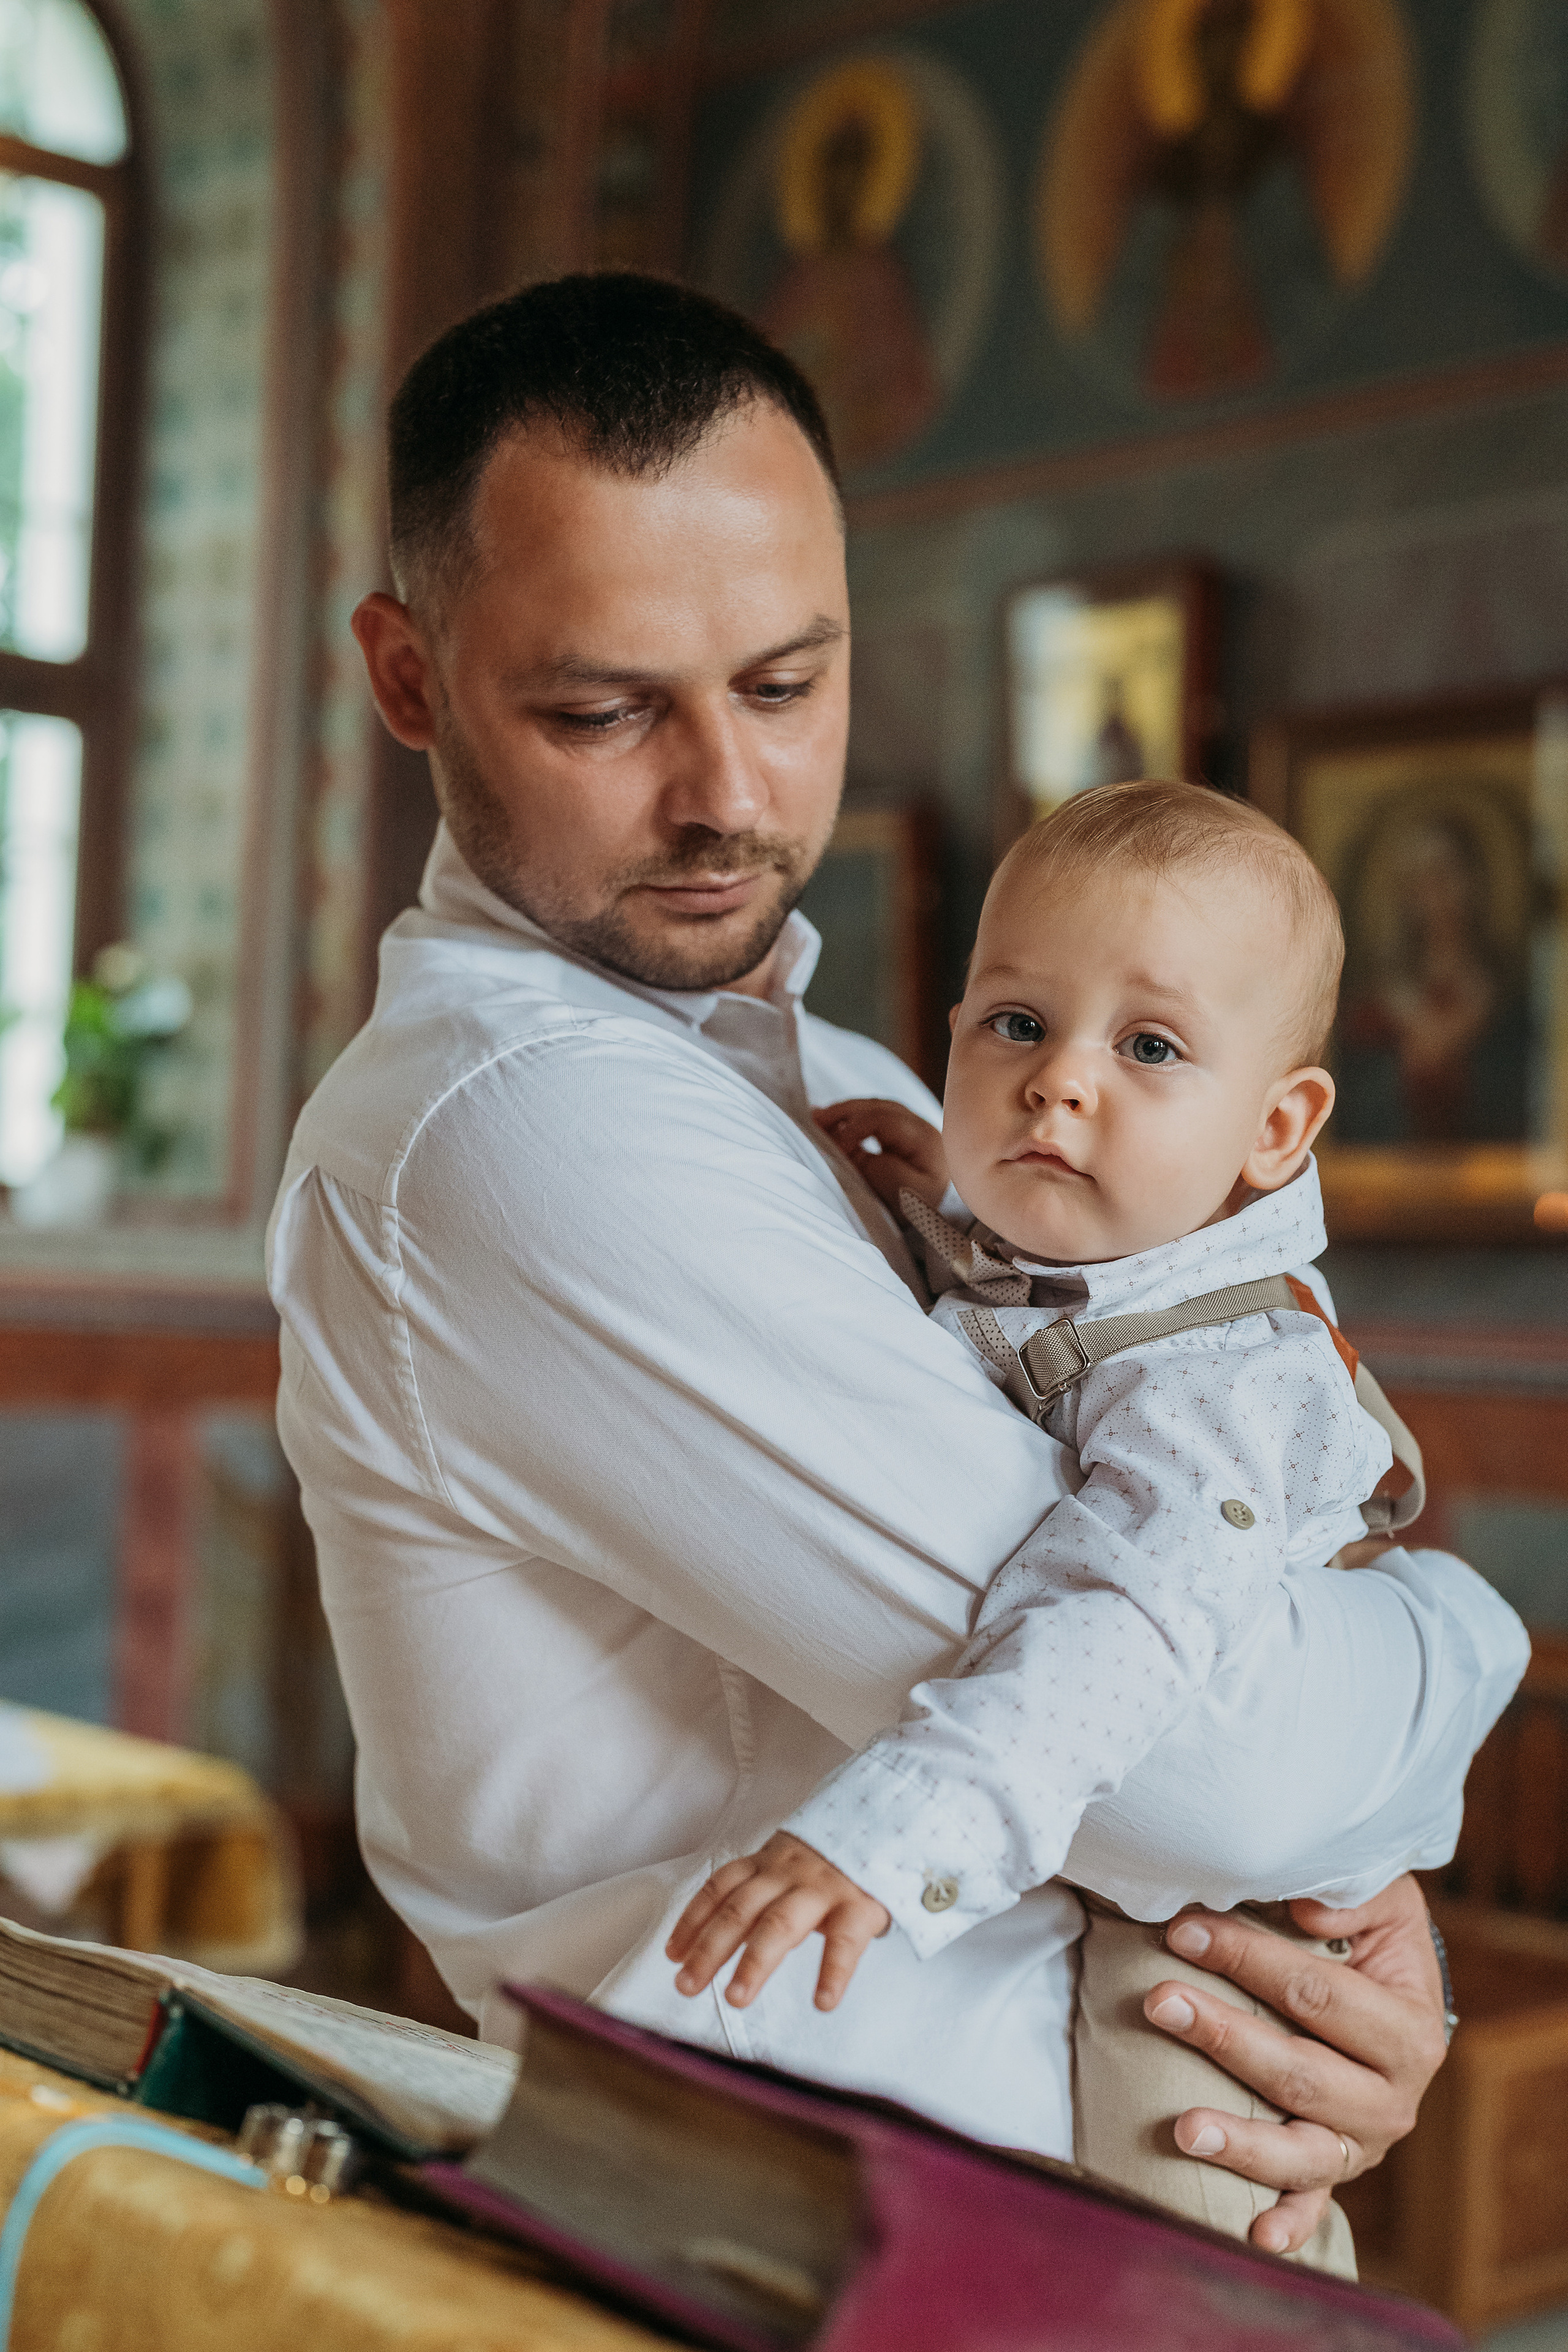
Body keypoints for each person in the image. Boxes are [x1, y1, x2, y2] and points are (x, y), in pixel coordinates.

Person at [268, 273, 1488, 2258]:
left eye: (786, 684)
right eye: (601, 710)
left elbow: (1215, 1745)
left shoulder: (858, 1094)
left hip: (1089, 2202)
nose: (730, 800)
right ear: (409, 682)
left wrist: (1363, 1968)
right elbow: (1215, 1771)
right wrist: (1456, 1654)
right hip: (825, 2255)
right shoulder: (522, 1132)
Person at [665, 779, 1526, 2267]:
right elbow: (1054, 1319)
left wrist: (886, 1842)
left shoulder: (1222, 1381)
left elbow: (1114, 1632)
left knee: (1183, 2247)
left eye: (1147, 1047)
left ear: (1275, 1126)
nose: (1057, 1084)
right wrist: (952, 1208)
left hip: (1218, 1935)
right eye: (1013, 1024)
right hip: (1156, 1873)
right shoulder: (1093, 1268)